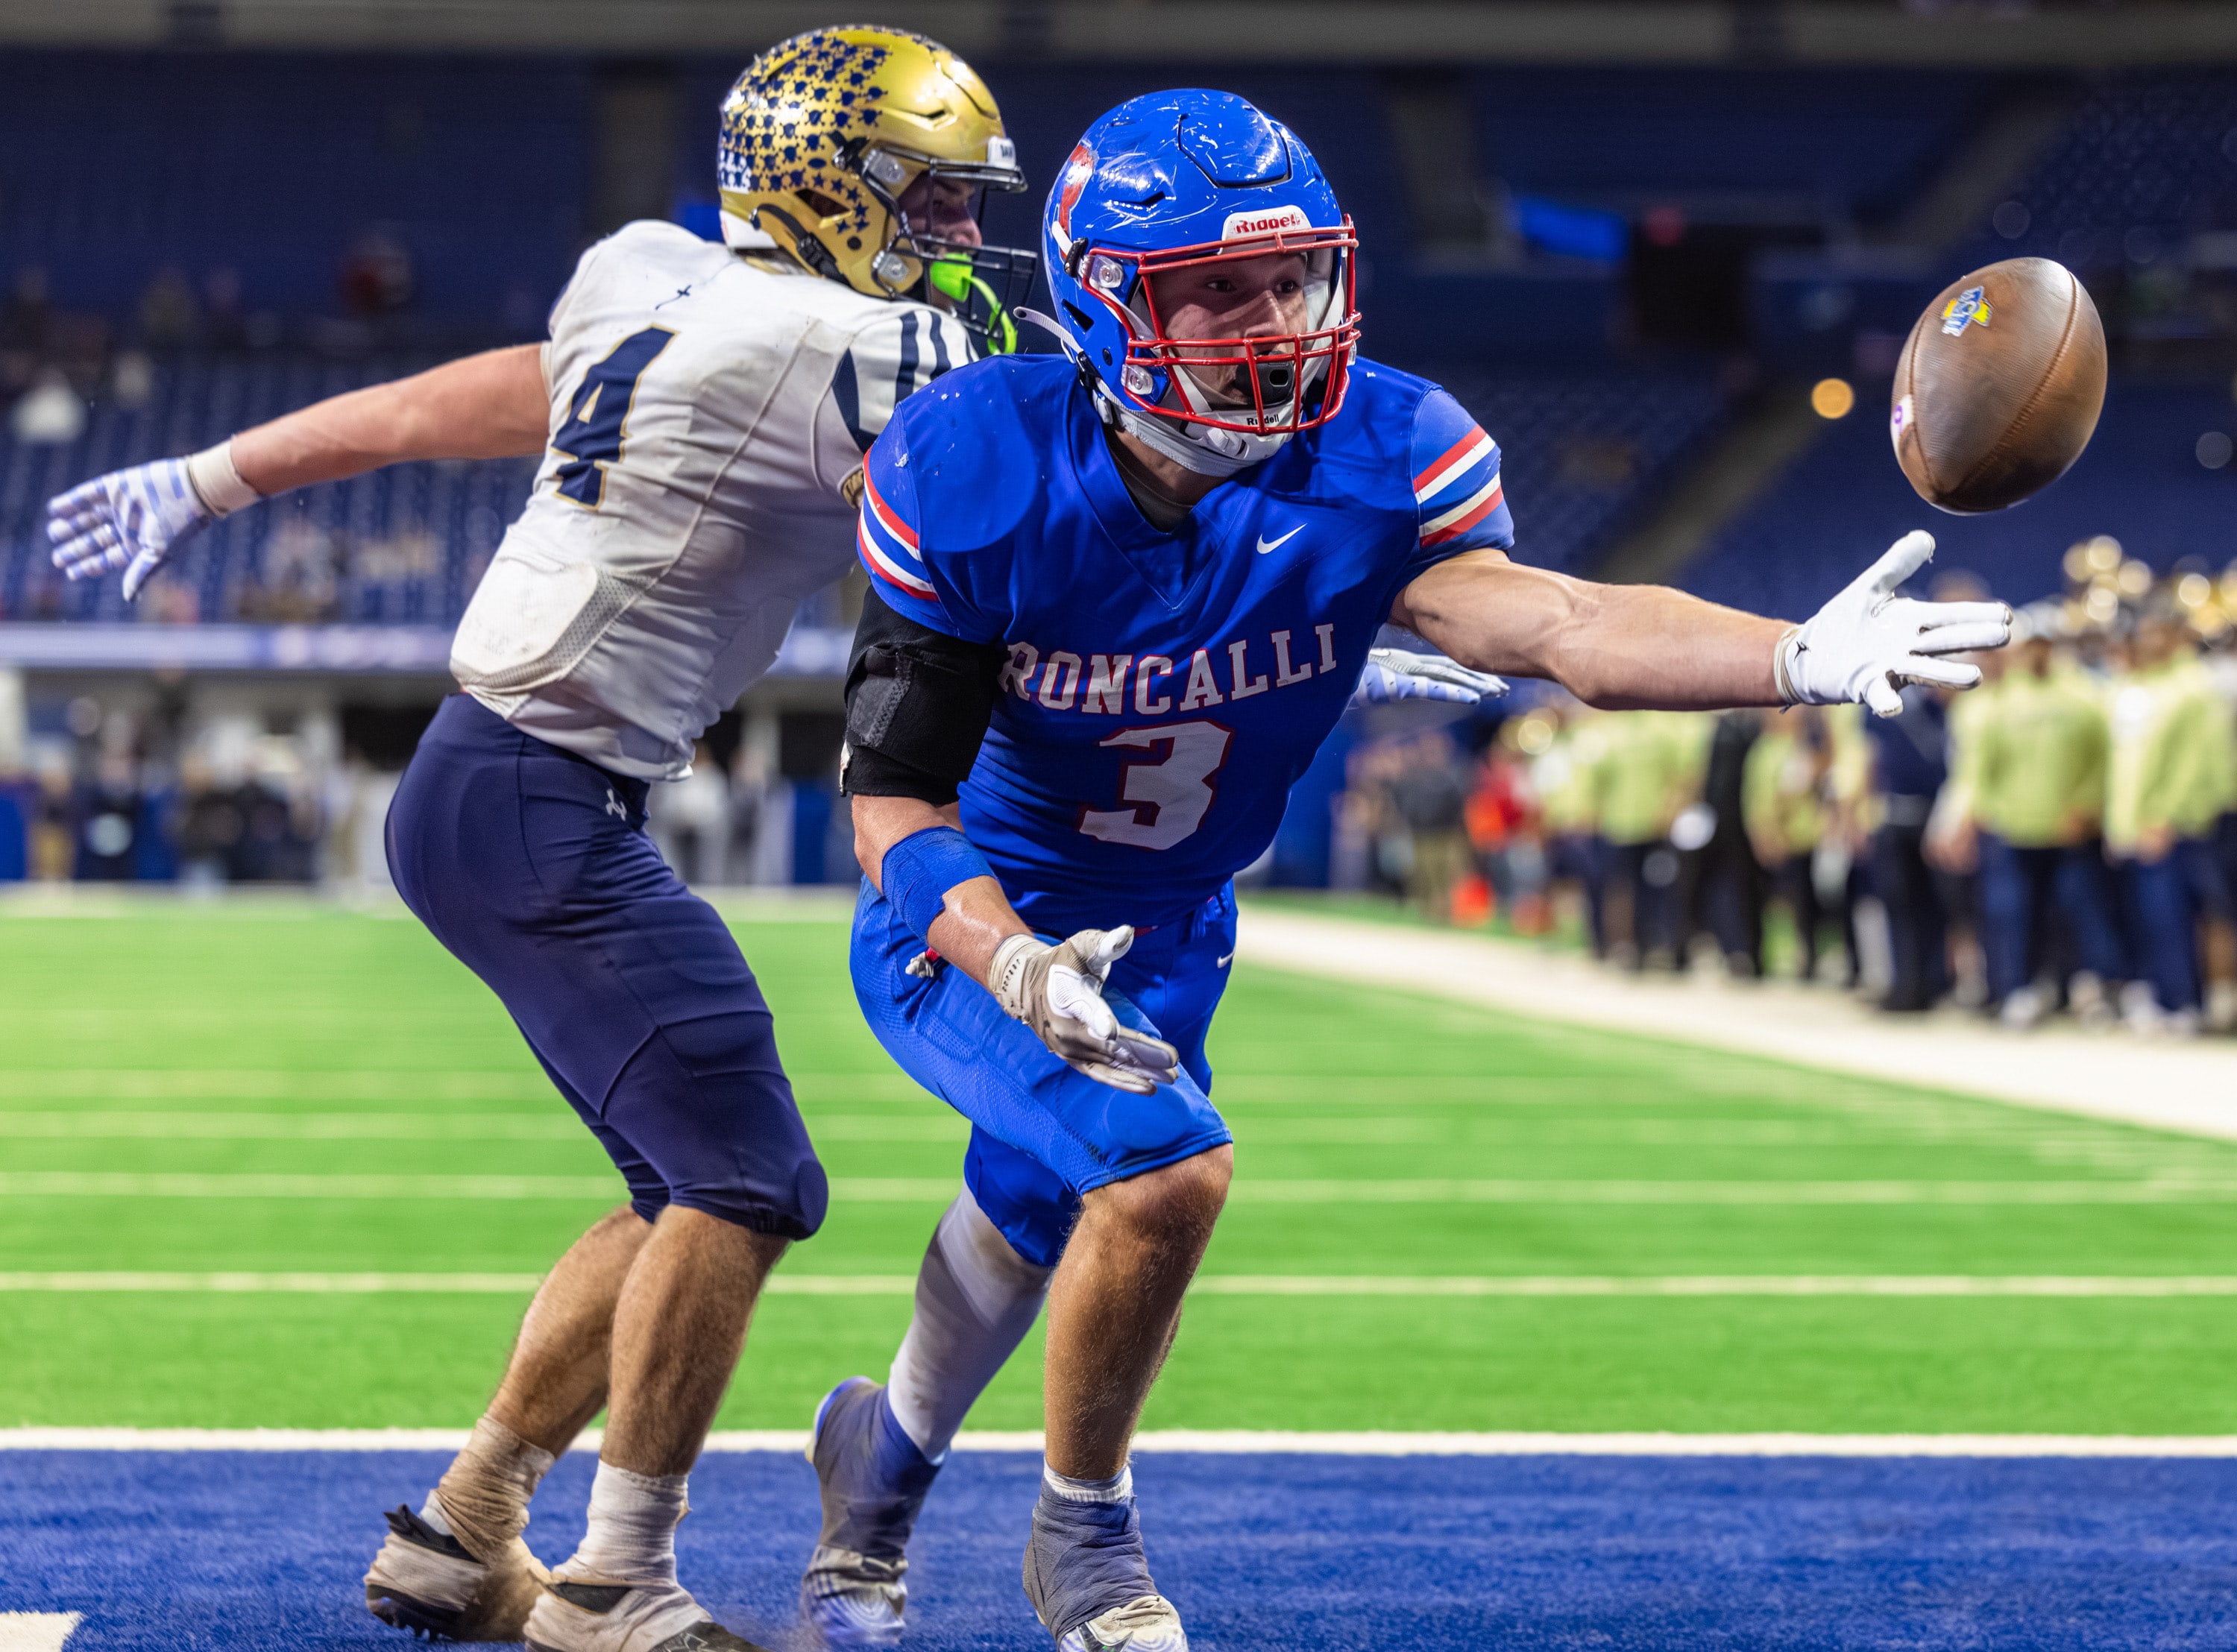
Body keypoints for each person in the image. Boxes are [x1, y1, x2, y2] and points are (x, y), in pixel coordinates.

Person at [808, 89, 2009, 1652]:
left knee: (1034, 1208)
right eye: (1212, 289)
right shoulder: (978, 460)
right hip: (970, 911)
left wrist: (1788, 656)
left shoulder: (1387, 447)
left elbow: (1562, 624)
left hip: (1176, 916)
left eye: (1288, 277)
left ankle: (873, 1485)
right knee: (1164, 1171)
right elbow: (892, 802)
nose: (1270, 320)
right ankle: (1083, 1541)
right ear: (1104, 299)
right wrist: (1011, 960)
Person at [45, 27, 1037, 1651]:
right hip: (538, 793)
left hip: (492, 783)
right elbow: (1037, 528)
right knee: (746, 1179)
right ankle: (614, 1581)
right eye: (924, 195)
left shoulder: (652, 276)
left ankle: (467, 1528)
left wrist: (217, 475)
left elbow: (467, 401)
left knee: (681, 1185)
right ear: (825, 185)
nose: (949, 233)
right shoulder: (846, 349)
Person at [1964, 614, 2127, 1028]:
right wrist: (1983, 808)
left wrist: (2088, 807)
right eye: (2029, 646)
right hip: (2017, 828)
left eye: (2043, 645)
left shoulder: (2083, 696)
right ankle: (2021, 990)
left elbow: (2102, 759)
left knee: (2082, 912)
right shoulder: (2002, 702)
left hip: (2069, 829)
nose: (2036, 653)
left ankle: (2093, 990)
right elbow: (1983, 763)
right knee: (2018, 914)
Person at [2105, 614, 2237, 1035]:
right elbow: (2133, 764)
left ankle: (2184, 1002)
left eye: (2158, 632)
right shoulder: (2147, 687)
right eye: (2145, 632)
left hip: (2177, 825)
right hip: (2142, 825)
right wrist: (2123, 821)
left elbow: (2200, 765)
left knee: (2177, 917)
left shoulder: (2194, 688)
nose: (2148, 640)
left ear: (2181, 637)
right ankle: (2167, 996)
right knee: (2155, 917)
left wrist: (2167, 815)